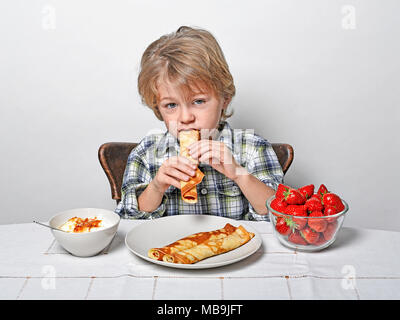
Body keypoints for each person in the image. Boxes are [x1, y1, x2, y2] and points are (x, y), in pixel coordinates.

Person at [115, 26, 284, 221]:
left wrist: (239, 174)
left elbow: (280, 216)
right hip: (171, 249)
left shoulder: (253, 148)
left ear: (225, 99)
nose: (186, 117)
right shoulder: (146, 153)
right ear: (157, 108)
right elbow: (129, 220)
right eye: (171, 105)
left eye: (198, 101)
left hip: (235, 248)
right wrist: (156, 187)